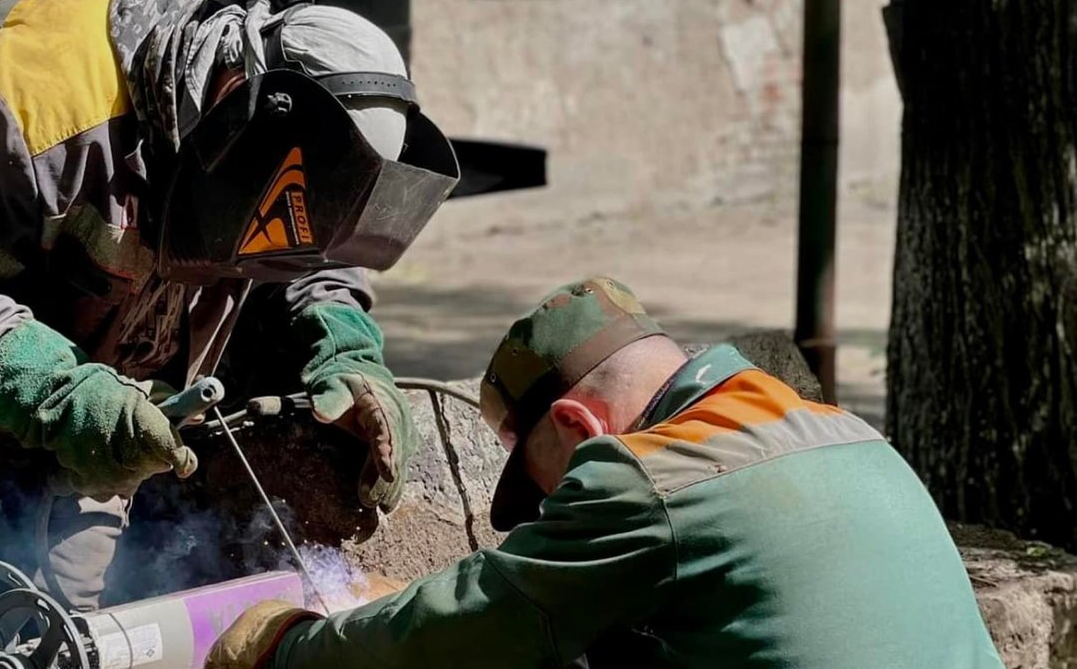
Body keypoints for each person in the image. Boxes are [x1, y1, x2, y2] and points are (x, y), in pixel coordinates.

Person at [0, 0, 458, 627]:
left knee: (74, 627)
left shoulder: (260, 145)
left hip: (109, 389)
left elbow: (310, 258)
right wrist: (68, 398)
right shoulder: (34, 98)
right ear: (237, 104)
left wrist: (345, 352)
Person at [209, 277, 1004, 668]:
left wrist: (289, 649)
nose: (551, 508)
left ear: (576, 426)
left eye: (544, 485)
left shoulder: (647, 475)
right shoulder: (847, 432)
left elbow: (472, 629)